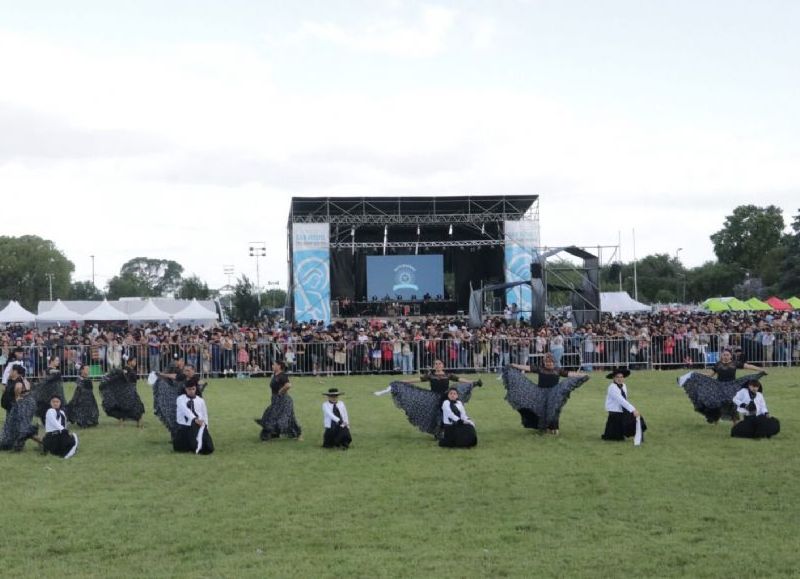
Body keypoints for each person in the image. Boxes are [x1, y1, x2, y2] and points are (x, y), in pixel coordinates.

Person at [373, 359, 482, 439]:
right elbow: (417, 380)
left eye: (439, 364)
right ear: (434, 366)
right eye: (436, 364)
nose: (438, 365)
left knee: (447, 414)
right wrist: (402, 382)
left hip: (446, 398)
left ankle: (446, 431)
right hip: (433, 398)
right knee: (434, 416)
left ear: (443, 365)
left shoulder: (448, 375)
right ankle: (437, 432)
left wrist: (473, 382)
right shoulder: (430, 375)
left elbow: (460, 379)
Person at [503, 353, 589, 434]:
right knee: (541, 410)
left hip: (554, 393)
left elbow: (570, 374)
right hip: (541, 393)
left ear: (553, 362)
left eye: (550, 362)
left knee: (554, 410)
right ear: (544, 362)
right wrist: (514, 365)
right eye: (546, 362)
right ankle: (545, 427)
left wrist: (581, 375)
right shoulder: (540, 369)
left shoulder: (558, 370)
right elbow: (527, 367)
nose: (548, 364)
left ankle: (555, 428)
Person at [678, 349, 765, 424]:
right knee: (716, 403)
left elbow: (748, 366)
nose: (725, 356)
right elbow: (710, 375)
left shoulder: (735, 363)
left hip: (732, 386)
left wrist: (760, 369)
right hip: (719, 386)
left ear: (731, 356)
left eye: (727, 355)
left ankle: (735, 421)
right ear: (721, 356)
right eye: (724, 355)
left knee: (732, 403)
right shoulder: (717, 364)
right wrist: (697, 374)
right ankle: (715, 418)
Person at [255, 361, 303, 441]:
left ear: (279, 366)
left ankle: (266, 436)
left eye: (274, 365)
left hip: (283, 400)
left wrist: (281, 391)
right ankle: (276, 433)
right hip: (276, 400)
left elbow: (288, 385)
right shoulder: (275, 375)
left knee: (272, 417)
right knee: (273, 416)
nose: (272, 366)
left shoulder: (282, 375)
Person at [0, 366, 41, 452]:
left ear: (16, 372)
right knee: (14, 426)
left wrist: (16, 399)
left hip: (24, 406)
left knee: (23, 427)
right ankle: (12, 444)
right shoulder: (12, 380)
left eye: (11, 370)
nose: (9, 372)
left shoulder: (19, 382)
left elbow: (18, 392)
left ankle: (44, 443)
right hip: (18, 405)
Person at [601, 367, 647, 442]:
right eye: (617, 377)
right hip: (615, 412)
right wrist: (633, 410)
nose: (619, 379)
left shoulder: (624, 385)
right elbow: (621, 400)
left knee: (638, 418)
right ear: (613, 378)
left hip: (622, 410)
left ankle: (639, 435)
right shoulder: (612, 388)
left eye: (621, 377)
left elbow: (625, 400)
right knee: (616, 437)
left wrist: (631, 410)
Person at [99, 357, 145, 427]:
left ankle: (137, 423)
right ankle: (124, 423)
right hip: (127, 391)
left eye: (135, 361)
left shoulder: (131, 370)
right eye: (134, 361)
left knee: (135, 407)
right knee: (131, 407)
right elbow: (123, 378)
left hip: (132, 390)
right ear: (129, 362)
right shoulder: (126, 369)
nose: (135, 363)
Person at [173, 378, 214, 454]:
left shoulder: (200, 400)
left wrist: (206, 427)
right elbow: (185, 410)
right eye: (189, 389)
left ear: (196, 389)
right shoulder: (180, 399)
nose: (191, 391)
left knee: (208, 448)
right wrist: (194, 419)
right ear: (185, 389)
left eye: (193, 389)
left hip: (197, 426)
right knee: (180, 449)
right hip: (184, 426)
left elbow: (204, 414)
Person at [35, 355, 66, 425]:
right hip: (50, 392)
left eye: (58, 360)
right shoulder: (49, 370)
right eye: (56, 360)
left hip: (56, 391)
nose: (58, 362)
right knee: (48, 406)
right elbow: (49, 375)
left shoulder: (53, 370)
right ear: (51, 361)